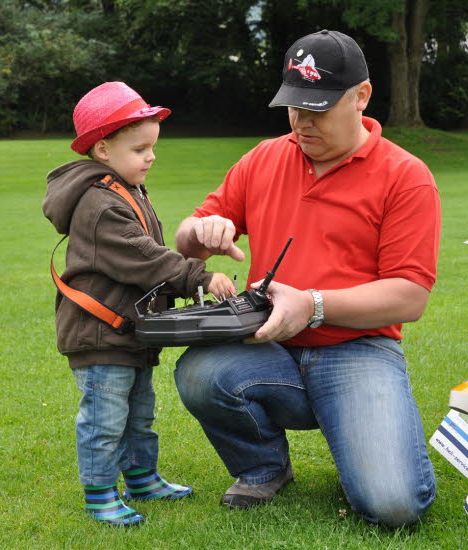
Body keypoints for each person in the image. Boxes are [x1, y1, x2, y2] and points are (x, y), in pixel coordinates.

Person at [173, 30, 441, 527]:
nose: (302, 121)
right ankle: (264, 468)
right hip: (266, 343)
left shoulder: (406, 176)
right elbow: (186, 239)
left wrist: (313, 305)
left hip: (357, 349)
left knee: (394, 506)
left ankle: (364, 439)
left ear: (361, 96)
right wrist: (201, 230)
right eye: (294, 106)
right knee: (199, 373)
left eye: (318, 107)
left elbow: (409, 295)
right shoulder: (264, 158)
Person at [42, 81, 235, 527]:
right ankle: (100, 494)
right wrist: (198, 276)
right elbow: (143, 257)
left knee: (139, 414)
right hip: (101, 332)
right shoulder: (99, 204)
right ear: (104, 150)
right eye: (140, 148)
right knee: (106, 418)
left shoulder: (125, 188)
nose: (151, 156)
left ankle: (142, 478)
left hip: (128, 331)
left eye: (152, 147)